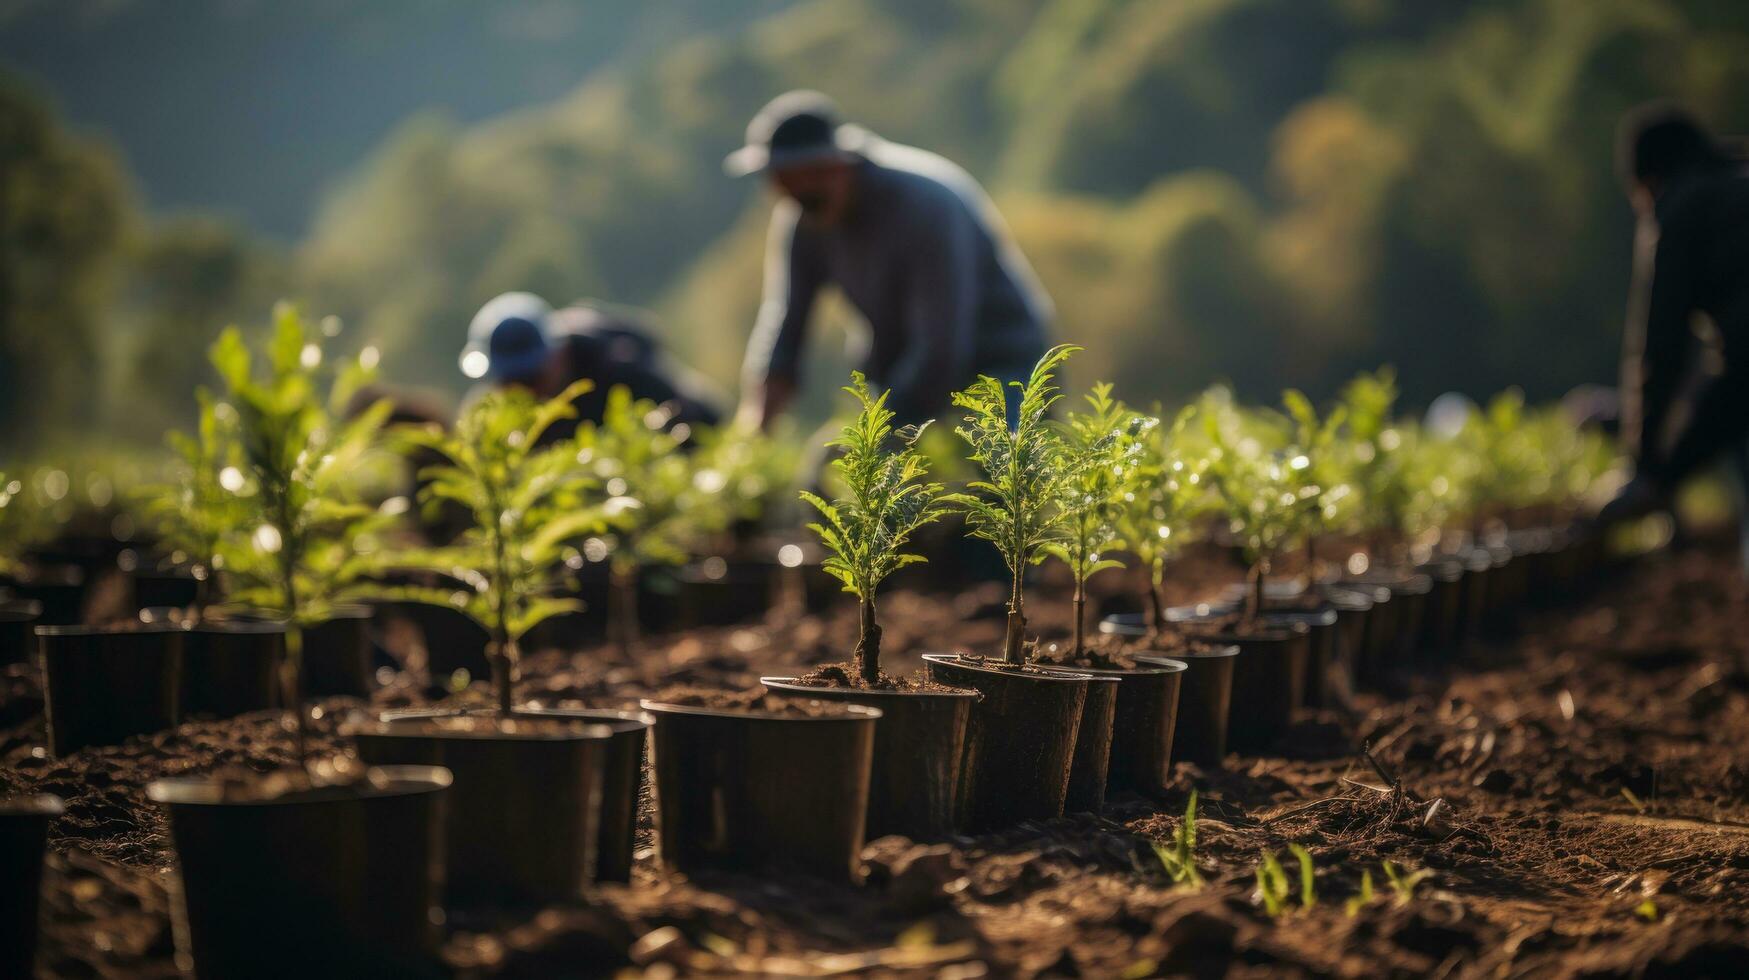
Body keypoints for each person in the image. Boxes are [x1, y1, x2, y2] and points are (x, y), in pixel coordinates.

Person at [727, 90, 1051, 430]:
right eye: (781, 179)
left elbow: (941, 347)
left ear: (838, 164)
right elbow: (786, 323)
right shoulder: (804, 219)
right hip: (907, 369)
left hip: (1001, 363)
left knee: (1000, 469)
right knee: (838, 474)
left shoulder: (923, 208)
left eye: (809, 175)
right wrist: (754, 427)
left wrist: (878, 432)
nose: (796, 192)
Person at [1597, 103, 1749, 560]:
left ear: (1648, 180)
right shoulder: (1732, 185)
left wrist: (1649, 470)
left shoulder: (1682, 206)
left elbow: (1661, 345)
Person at [458, 291, 722, 445]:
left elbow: (692, 420)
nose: (522, 392)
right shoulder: (488, 412)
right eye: (508, 382)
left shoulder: (622, 371)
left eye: (531, 379)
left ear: (559, 355)